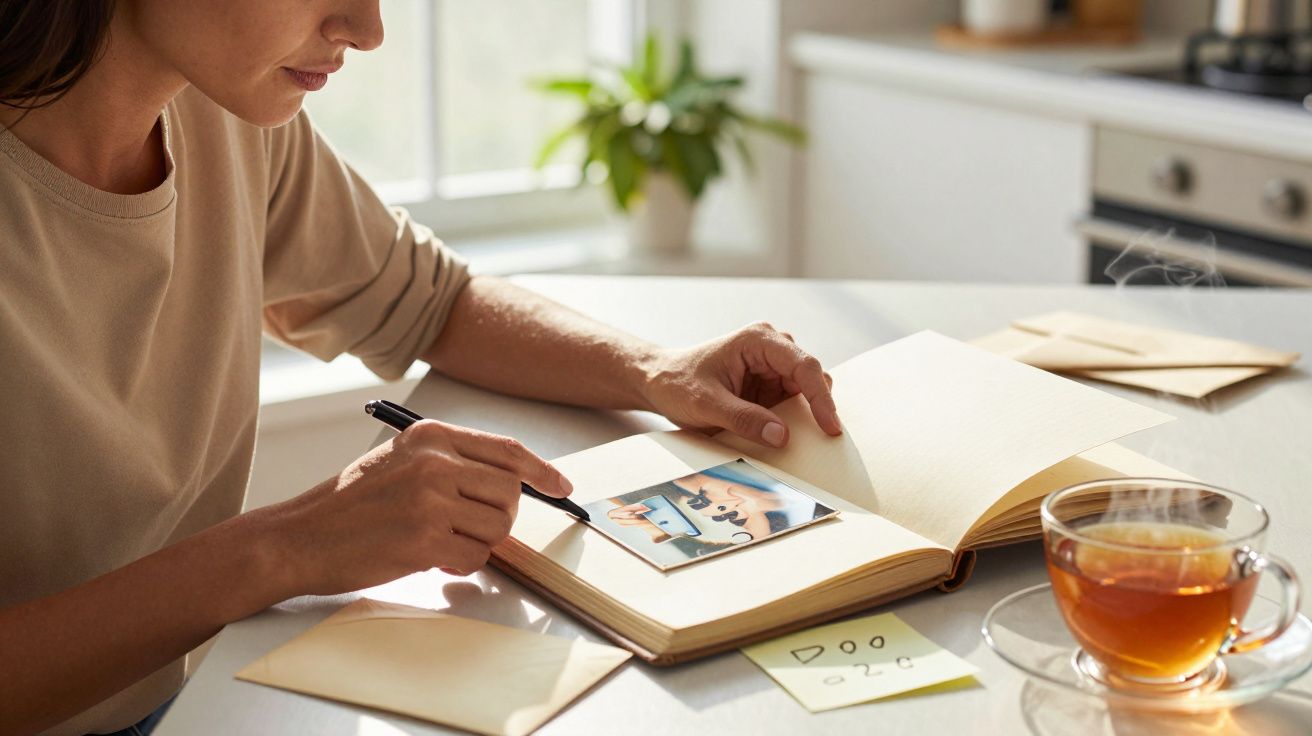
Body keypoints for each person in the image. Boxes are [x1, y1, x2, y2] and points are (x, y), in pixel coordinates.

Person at [0, 2, 842, 734]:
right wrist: (284, 549)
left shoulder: (224, 118)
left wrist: (655, 368)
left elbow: (432, 300)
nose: (366, 30)